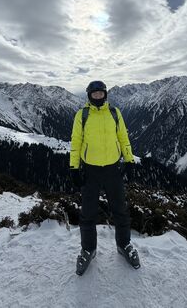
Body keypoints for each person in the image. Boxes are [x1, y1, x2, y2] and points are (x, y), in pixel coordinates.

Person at [70, 80, 140, 275]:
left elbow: (123, 138)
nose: (98, 97)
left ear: (105, 94)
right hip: (90, 170)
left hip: (112, 169)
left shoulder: (114, 113)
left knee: (120, 210)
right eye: (95, 94)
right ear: (89, 96)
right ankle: (88, 249)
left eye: (101, 93)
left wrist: (129, 160)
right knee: (88, 213)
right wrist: (74, 168)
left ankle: (124, 245)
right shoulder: (82, 115)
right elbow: (76, 142)